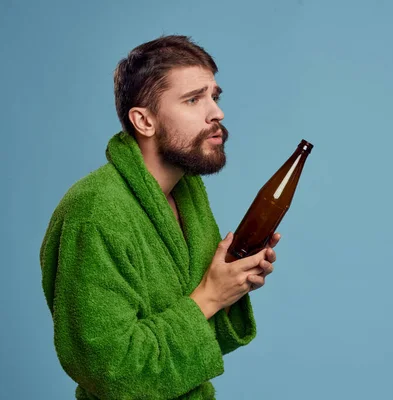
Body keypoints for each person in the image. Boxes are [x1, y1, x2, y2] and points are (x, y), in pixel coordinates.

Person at [39, 35, 279, 400]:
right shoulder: (94, 211)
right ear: (144, 121)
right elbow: (109, 370)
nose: (216, 113)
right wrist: (211, 297)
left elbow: (196, 345)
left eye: (215, 96)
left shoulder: (187, 192)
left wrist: (232, 282)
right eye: (193, 99)